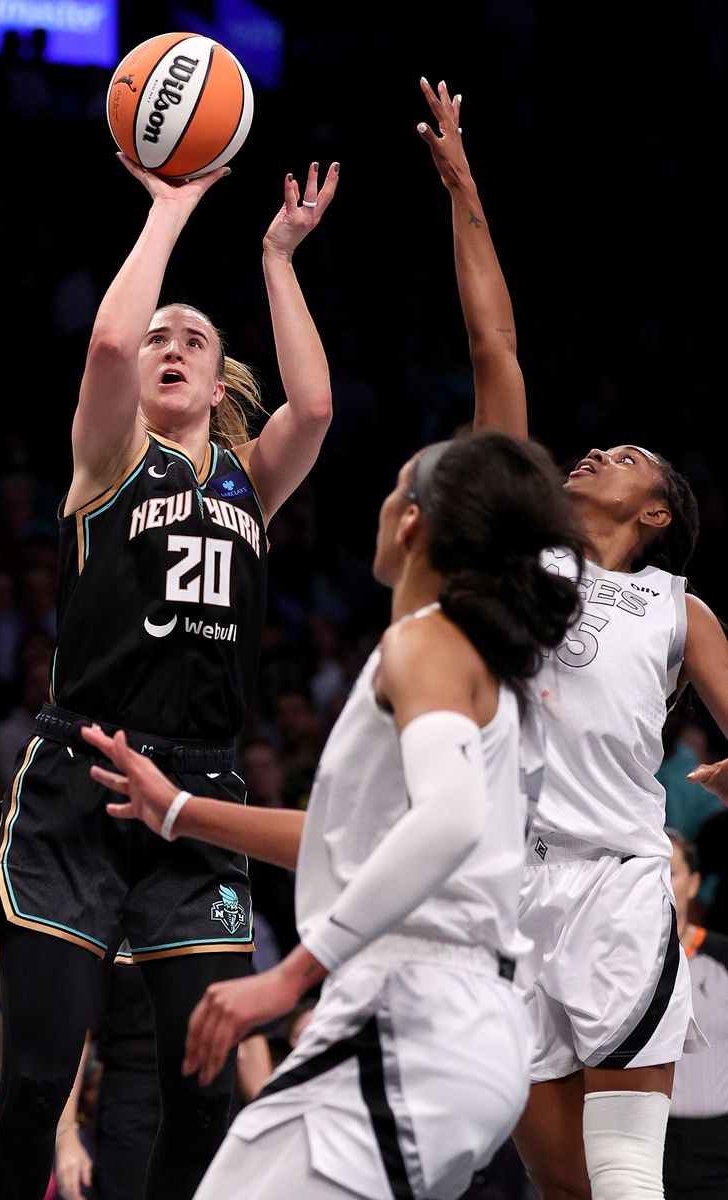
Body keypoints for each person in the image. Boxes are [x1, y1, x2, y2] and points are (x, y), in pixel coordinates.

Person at [0, 149, 339, 1200]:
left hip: (199, 794)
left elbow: (309, 410)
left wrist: (275, 256)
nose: (167, 347)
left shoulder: (246, 481)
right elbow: (110, 337)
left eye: (194, 340)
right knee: (37, 1079)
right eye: (161, 339)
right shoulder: (107, 460)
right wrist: (170, 207)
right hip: (78, 782)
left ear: (219, 384)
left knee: (204, 1087)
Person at [82, 427, 586, 1200]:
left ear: (412, 518)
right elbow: (357, 843)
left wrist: (288, 976)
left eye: (391, 489)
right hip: (455, 1027)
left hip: (408, 1012)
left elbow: (445, 823)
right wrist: (179, 808)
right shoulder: (489, 668)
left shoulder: (426, 641)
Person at [414, 76, 728, 1200]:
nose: (594, 453)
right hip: (503, 893)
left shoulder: (673, 606)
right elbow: (493, 348)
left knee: (625, 1182)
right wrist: (463, 190)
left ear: (656, 517)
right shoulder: (519, 552)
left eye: (630, 458)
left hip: (613, 890)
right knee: (562, 1193)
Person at [663, 828, 728, 1200]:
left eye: (670, 871)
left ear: (693, 883)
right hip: (648, 1143)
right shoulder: (616, 966)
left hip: (721, 1150)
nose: (659, 882)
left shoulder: (723, 957)